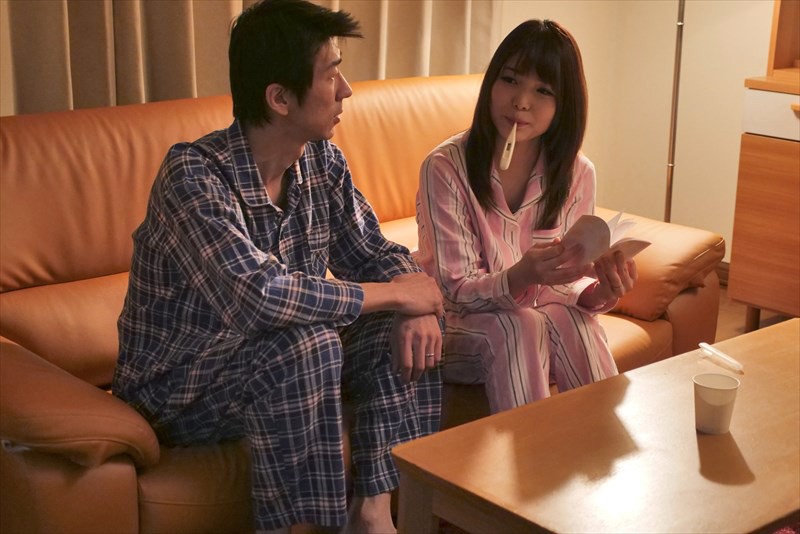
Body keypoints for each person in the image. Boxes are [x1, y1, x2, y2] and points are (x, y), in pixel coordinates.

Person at [112, 1, 443, 532]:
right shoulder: (193, 176)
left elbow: (373, 251)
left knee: (398, 329)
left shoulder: (321, 161)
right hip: (177, 389)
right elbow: (259, 297)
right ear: (280, 98)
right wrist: (400, 294)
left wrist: (415, 303)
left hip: (270, 361)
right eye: (331, 75)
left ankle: (374, 513)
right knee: (310, 343)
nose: (346, 90)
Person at [415, 19, 637, 415]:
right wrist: (520, 276)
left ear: (564, 104)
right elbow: (455, 291)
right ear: (492, 83)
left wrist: (603, 290)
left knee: (576, 322)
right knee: (519, 324)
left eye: (543, 91)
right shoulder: (445, 168)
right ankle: (533, 453)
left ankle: (606, 444)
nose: (521, 101)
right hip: (455, 328)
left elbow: (564, 289)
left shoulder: (577, 173)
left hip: (532, 327)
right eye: (510, 80)